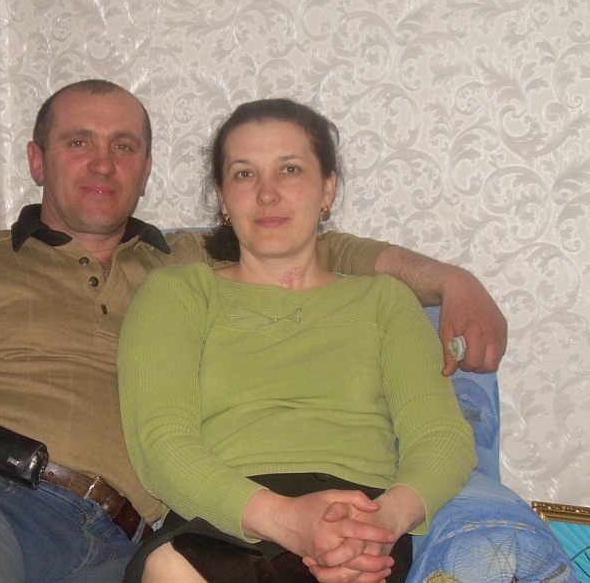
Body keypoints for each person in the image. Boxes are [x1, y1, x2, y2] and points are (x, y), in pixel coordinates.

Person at [0, 79, 502, 583]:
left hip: (113, 533)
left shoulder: (183, 261)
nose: (103, 163)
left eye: (125, 146)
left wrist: (451, 281)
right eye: (78, 143)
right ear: (36, 160)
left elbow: (317, 245)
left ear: (146, 169)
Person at [117, 98, 478, 583]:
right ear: (222, 197)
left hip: (359, 529)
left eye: (289, 170)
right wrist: (287, 520)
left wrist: (383, 522)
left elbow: (441, 437)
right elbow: (160, 444)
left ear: (327, 188)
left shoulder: (384, 301)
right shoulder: (177, 292)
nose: (267, 194)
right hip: (224, 522)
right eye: (244, 174)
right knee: (171, 566)